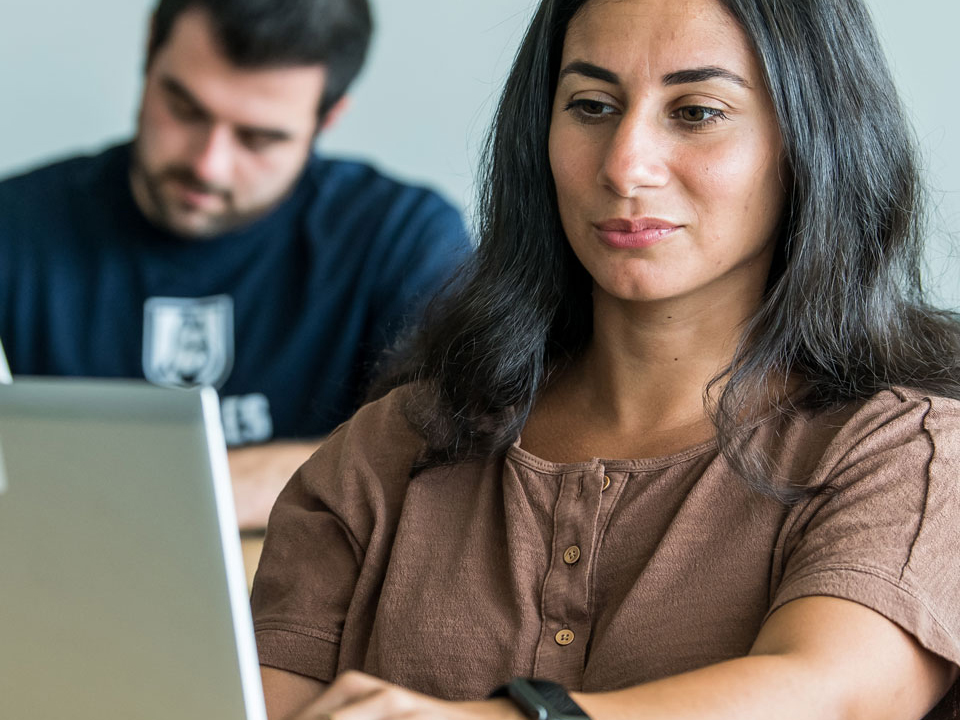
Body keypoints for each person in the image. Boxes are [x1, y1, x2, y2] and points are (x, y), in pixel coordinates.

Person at [251, 0, 960, 717]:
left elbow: (828, 693)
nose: (625, 166)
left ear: (811, 137)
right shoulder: (388, 448)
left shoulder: (908, 452)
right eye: (591, 105)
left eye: (696, 112)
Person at [0, 0, 471, 529]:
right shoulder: (13, 230)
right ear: (150, 47)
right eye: (184, 109)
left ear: (327, 118)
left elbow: (447, 448)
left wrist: (144, 498)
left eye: (258, 138)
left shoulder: (401, 237)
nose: (208, 164)